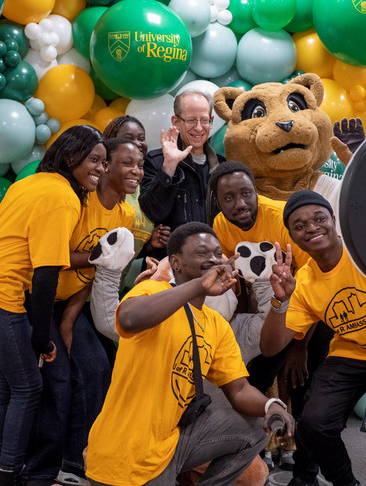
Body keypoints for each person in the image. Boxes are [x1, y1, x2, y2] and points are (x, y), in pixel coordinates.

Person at [0, 125, 107, 486]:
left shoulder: (30, 183)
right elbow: (45, 274)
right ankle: (7, 476)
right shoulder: (62, 197)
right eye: (94, 160)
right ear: (71, 157)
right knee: (29, 388)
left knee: (10, 385)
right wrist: (42, 337)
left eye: (104, 162)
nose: (100, 168)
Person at [85, 222, 294, 486]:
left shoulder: (216, 324)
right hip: (124, 456)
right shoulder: (151, 291)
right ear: (176, 262)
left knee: (254, 426)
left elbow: (239, 389)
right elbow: (129, 319)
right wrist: (198, 287)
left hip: (173, 444)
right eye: (202, 253)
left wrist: (272, 406)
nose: (214, 259)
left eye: (218, 253)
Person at [23, 136, 147, 486]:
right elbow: (50, 259)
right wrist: (58, 320)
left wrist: (68, 320)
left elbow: (99, 273)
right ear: (105, 166)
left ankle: (80, 461)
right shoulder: (78, 200)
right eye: (126, 163)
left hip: (73, 303)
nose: (135, 171)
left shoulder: (124, 215)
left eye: (139, 165)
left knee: (96, 369)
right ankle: (43, 464)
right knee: (58, 379)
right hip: (37, 296)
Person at [209, 160, 334, 471]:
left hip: (311, 316)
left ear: (255, 192)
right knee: (250, 380)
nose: (240, 204)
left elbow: (313, 284)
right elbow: (232, 282)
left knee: (305, 387)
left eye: (246, 194)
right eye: (229, 198)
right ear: (218, 201)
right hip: (270, 314)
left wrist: (299, 347)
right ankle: (249, 452)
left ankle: (307, 469)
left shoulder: (282, 218)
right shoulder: (220, 226)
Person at [260, 190, 366, 486]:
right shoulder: (302, 281)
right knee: (314, 424)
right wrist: (281, 301)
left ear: (333, 219)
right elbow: (270, 348)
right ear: (291, 234)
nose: (312, 228)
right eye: (300, 225)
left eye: (319, 218)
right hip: (350, 353)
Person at [138, 90, 224, 260]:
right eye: (191, 120)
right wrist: (169, 166)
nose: (199, 128)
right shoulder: (156, 162)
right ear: (175, 122)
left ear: (211, 121)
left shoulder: (223, 167)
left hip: (213, 264)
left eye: (204, 120)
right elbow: (152, 212)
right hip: (169, 266)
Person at [103, 115, 170, 272]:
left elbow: (124, 251)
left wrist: (150, 245)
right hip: (76, 290)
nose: (138, 143)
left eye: (142, 138)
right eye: (128, 138)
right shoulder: (98, 186)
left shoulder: (141, 187)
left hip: (113, 289)